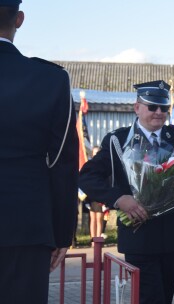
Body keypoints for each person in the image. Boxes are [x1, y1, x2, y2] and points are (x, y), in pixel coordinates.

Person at [79, 80, 174, 304]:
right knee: (150, 297)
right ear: (137, 107)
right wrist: (118, 199)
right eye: (152, 107)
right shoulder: (118, 141)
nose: (159, 113)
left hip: (172, 235)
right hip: (139, 234)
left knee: (164, 295)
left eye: (164, 108)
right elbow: (87, 176)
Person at [0, 1, 79, 303]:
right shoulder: (50, 79)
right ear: (19, 19)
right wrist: (61, 232)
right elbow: (62, 162)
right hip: (27, 226)